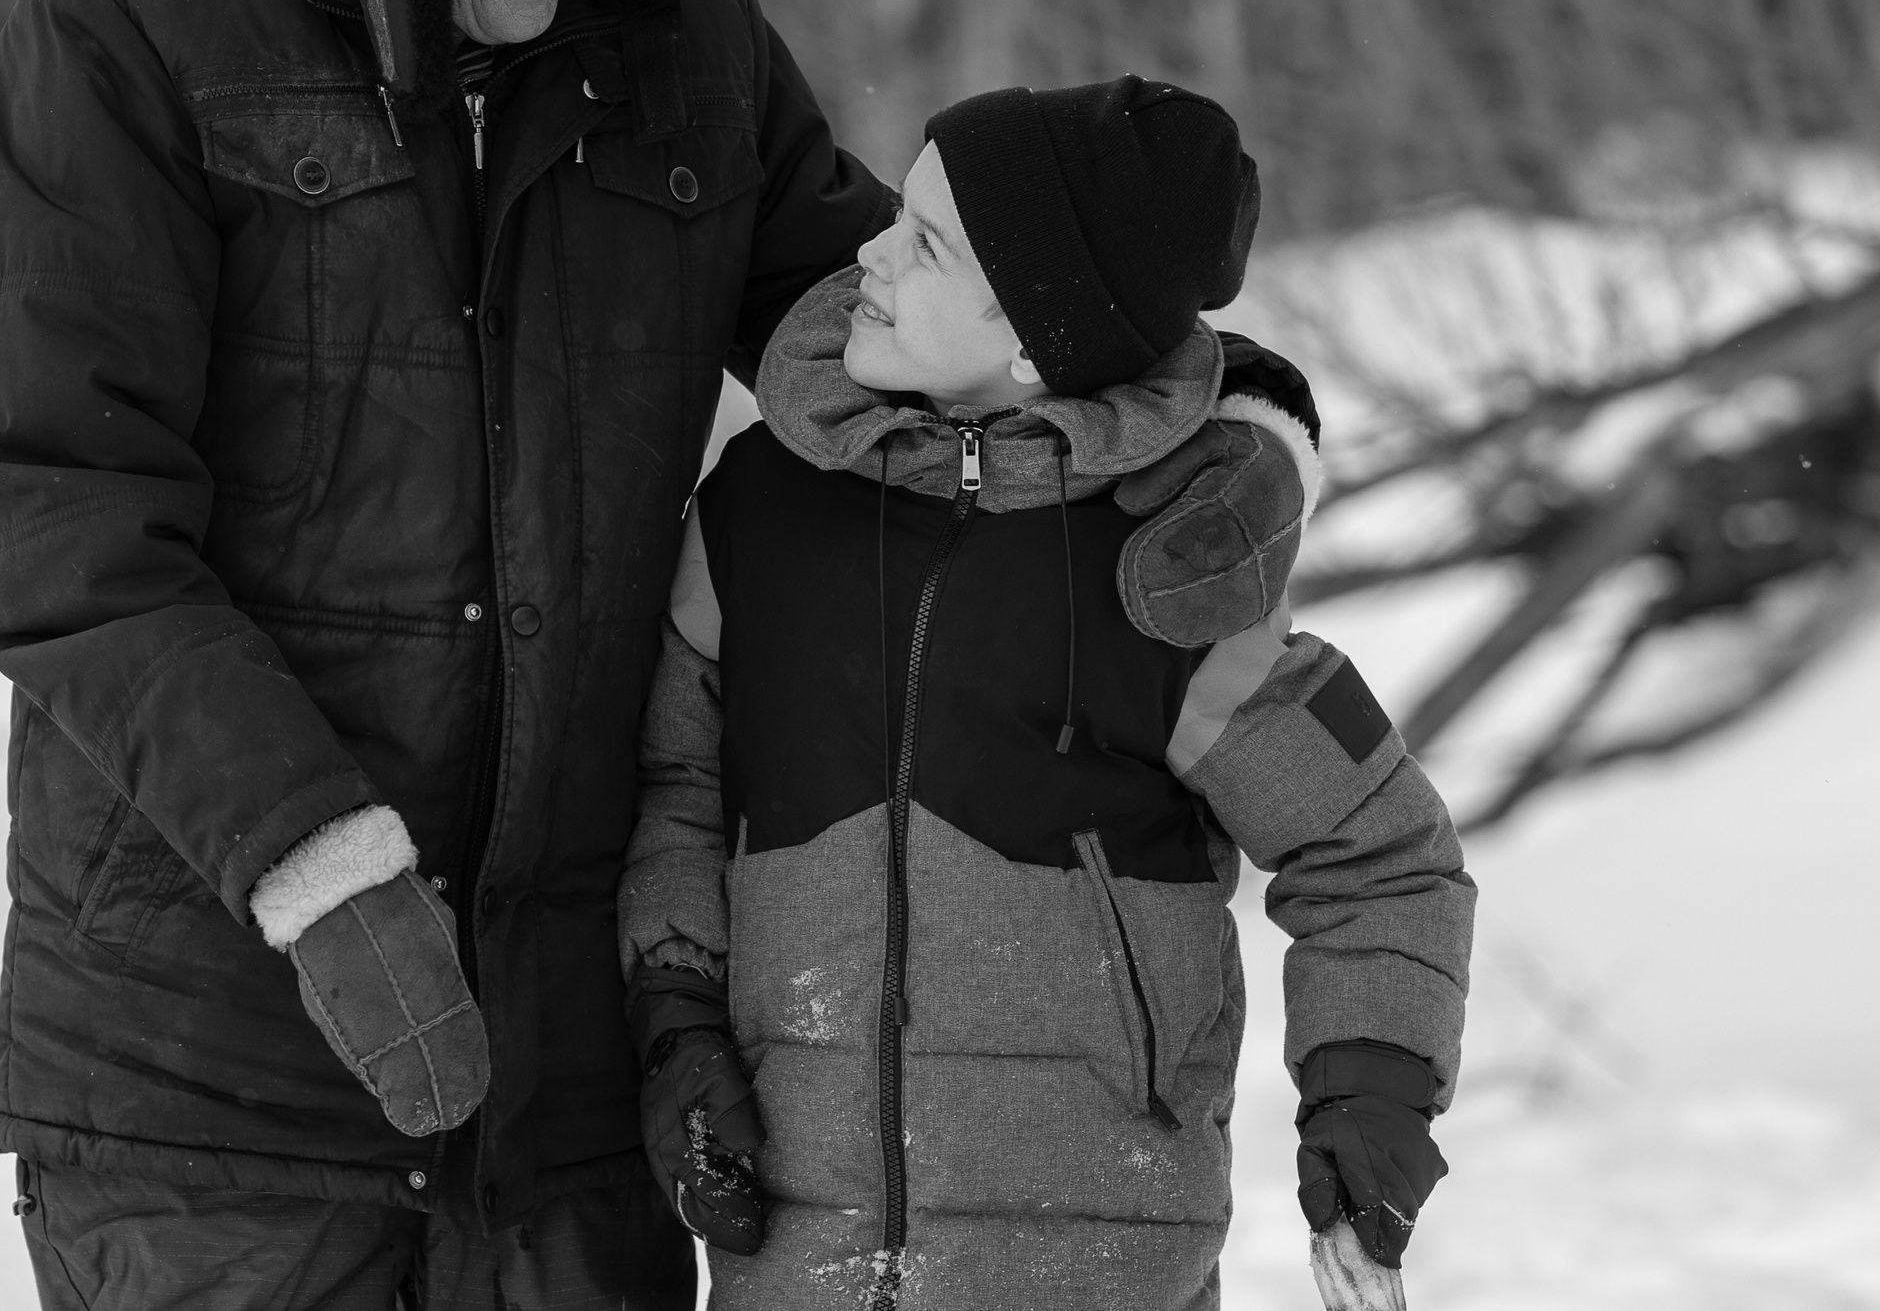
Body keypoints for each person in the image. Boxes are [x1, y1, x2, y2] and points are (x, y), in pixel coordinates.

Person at [0, 0, 1322, 1310]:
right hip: (213, 1087)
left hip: (569, 1091)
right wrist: (317, 866)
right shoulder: (131, 34)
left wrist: (1232, 422)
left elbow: (929, 330)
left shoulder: (681, 62)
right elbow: (67, 530)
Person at [620, 80, 1475, 1311]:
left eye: (922, 243)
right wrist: (677, 1014)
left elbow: (1380, 854)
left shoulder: (1167, 566)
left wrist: (1370, 1098)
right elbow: (676, 785)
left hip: (1099, 1253)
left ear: (1033, 339)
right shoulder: (761, 509)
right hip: (798, 1247)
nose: (867, 250)